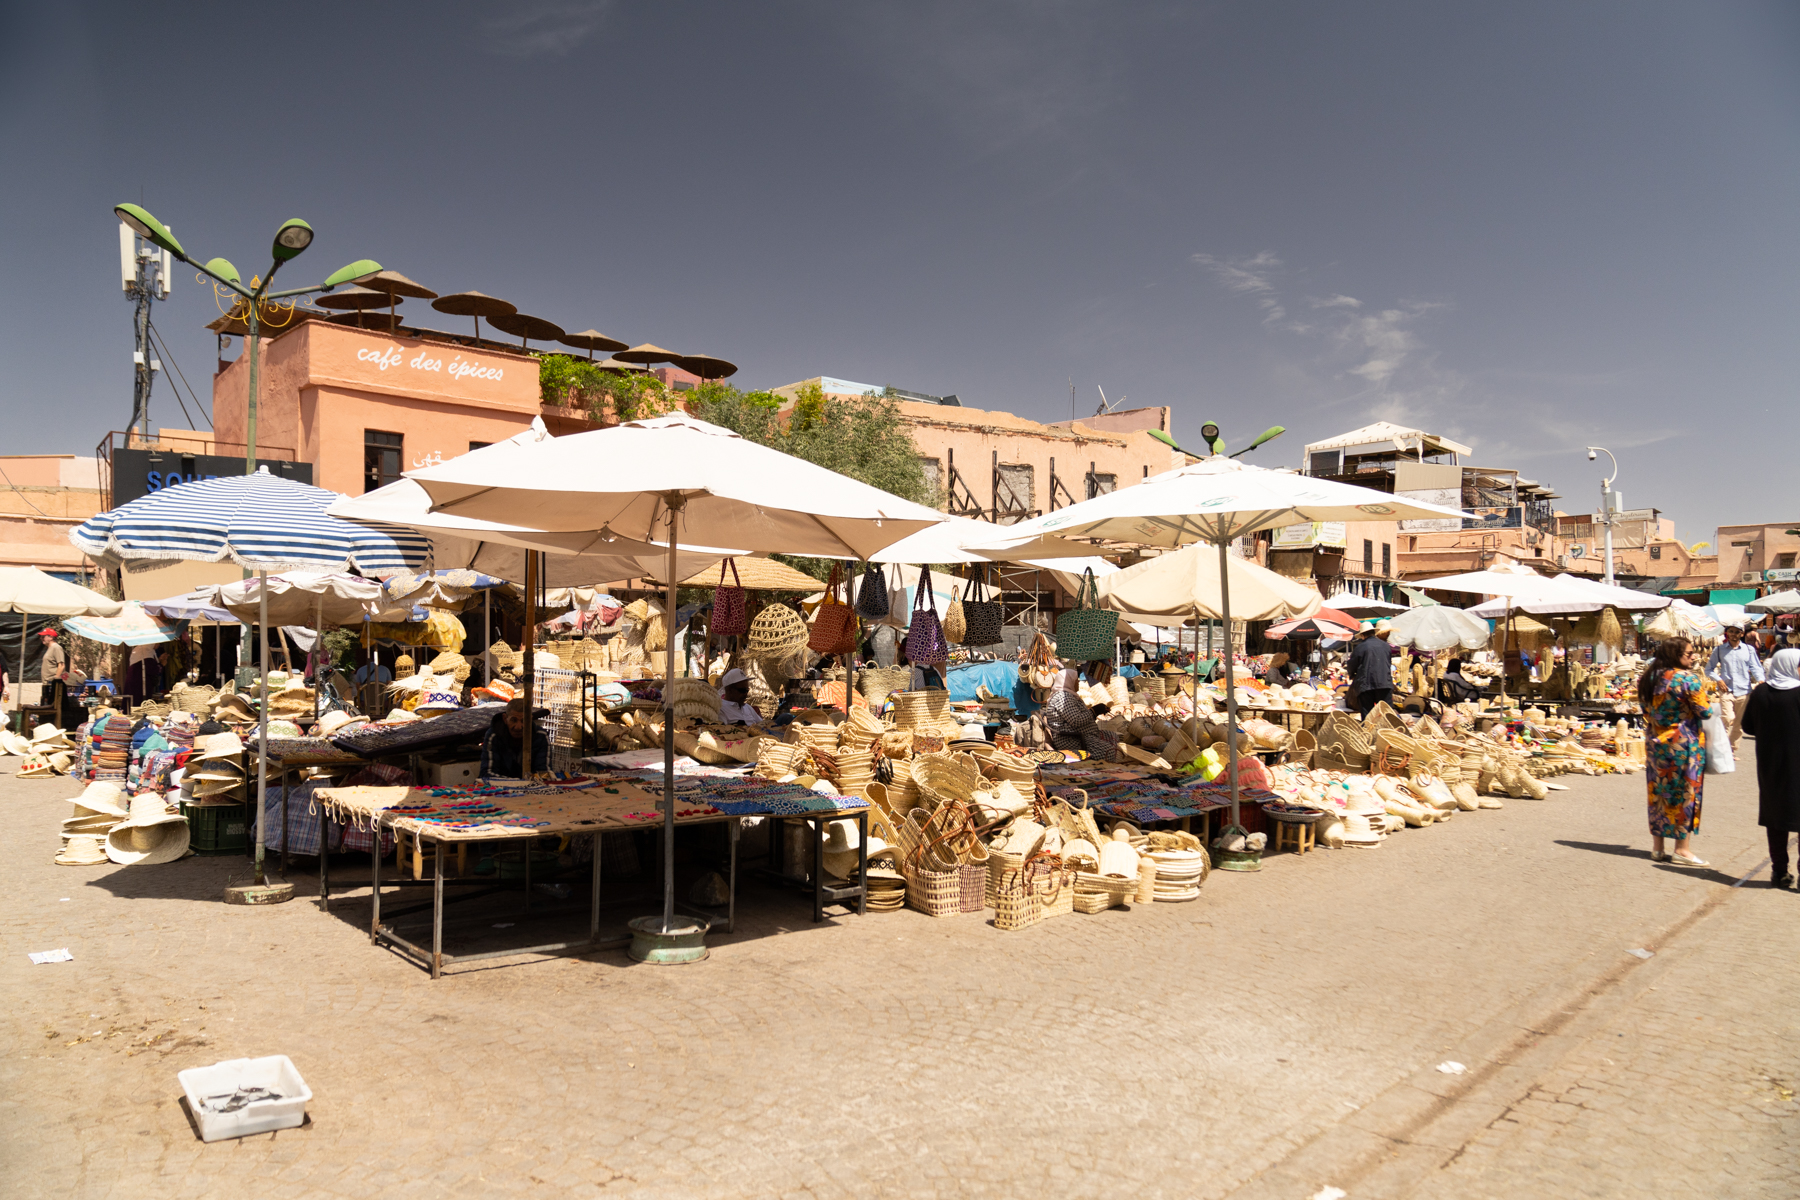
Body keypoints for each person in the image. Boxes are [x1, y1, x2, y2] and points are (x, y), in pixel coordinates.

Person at [1639, 637, 1713, 867]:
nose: (1693, 657)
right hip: (1683, 744)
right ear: (1675, 655)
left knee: (1658, 793)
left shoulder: (1649, 678)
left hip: (1655, 743)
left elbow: (1644, 709)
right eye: (1689, 653)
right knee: (1685, 794)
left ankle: (1658, 848)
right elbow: (1705, 712)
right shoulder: (1688, 679)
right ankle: (1681, 849)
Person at [1741, 648, 1800, 888]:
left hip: (1770, 765)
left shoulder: (1760, 693)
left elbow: (1748, 727)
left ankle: (1779, 872)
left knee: (1776, 818)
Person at [1707, 625, 1765, 751]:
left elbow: (1755, 667)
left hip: (1744, 690)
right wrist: (1718, 679)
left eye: (1736, 632)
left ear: (1742, 634)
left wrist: (1761, 679)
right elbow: (1709, 669)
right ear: (1727, 633)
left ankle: (1731, 749)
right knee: (1728, 718)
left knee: (1739, 724)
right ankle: (1722, 748)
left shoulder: (1748, 650)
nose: (1733, 634)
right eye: (1731, 631)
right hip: (1726, 690)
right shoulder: (1719, 650)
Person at [1041, 668, 1119, 760]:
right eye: (1076, 680)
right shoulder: (1062, 697)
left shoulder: (1068, 695)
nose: (1078, 682)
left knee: (1113, 736)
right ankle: (1086, 757)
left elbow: (1076, 717)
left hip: (1082, 734)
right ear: (1068, 681)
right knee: (1111, 753)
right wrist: (1094, 711)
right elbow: (1076, 721)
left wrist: (1096, 712)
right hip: (1073, 739)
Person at [480, 697, 548, 778]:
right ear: (505, 719)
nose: (518, 727)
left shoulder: (541, 736)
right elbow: (486, 774)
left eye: (523, 720)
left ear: (530, 719)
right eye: (513, 720)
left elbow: (544, 774)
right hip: (499, 788)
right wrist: (516, 784)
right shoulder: (494, 736)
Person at [1346, 621, 1395, 716]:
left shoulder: (1360, 647)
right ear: (1373, 632)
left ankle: (1369, 731)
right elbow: (1388, 664)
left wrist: (1352, 675)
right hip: (1384, 683)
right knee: (1387, 715)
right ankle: (1387, 730)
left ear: (1363, 635)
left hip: (1366, 685)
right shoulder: (1386, 646)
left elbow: (1352, 665)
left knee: (1368, 716)